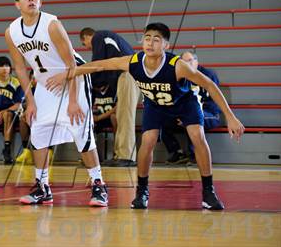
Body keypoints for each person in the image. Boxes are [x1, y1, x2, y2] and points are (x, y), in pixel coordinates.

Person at [46, 22, 245, 210]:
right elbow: (101, 65)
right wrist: (70, 73)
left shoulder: (178, 65)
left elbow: (209, 85)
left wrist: (230, 116)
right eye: (147, 38)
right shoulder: (133, 61)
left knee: (197, 136)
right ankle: (142, 192)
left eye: (156, 39)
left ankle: (208, 192)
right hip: (155, 105)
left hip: (184, 103)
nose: (150, 42)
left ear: (166, 45)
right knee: (147, 141)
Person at [5, 0, 108, 207]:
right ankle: (42, 187)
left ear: (40, 2)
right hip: (45, 83)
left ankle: (98, 184)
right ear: (17, 5)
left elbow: (71, 63)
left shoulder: (51, 24)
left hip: (72, 77)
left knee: (81, 130)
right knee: (38, 131)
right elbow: (21, 69)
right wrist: (29, 102)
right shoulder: (12, 31)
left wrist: (72, 101)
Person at [80, 28, 139, 167]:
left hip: (128, 75)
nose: (88, 48)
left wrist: (82, 78)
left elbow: (97, 65)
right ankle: (121, 154)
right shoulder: (109, 42)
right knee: (121, 115)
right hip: (127, 76)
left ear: (87, 36)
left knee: (125, 116)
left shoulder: (99, 36)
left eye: (84, 44)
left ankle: (127, 156)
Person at [161, 51, 222, 165]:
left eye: (190, 61)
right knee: (162, 119)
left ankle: (194, 154)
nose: (187, 64)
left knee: (192, 118)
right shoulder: (180, 75)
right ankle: (176, 153)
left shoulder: (208, 75)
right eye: (184, 62)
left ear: (196, 62)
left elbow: (212, 98)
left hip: (210, 113)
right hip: (186, 112)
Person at [0, 56, 24, 164]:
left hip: (11, 113)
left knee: (7, 114)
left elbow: (17, 104)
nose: (4, 68)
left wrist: (2, 112)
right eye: (1, 66)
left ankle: (7, 150)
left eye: (7, 66)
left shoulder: (16, 82)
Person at [91, 76, 117, 162]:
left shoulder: (113, 89)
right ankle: (95, 156)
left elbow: (118, 106)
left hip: (108, 116)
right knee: (90, 124)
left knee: (114, 117)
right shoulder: (93, 91)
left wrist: (99, 117)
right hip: (98, 117)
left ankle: (116, 153)